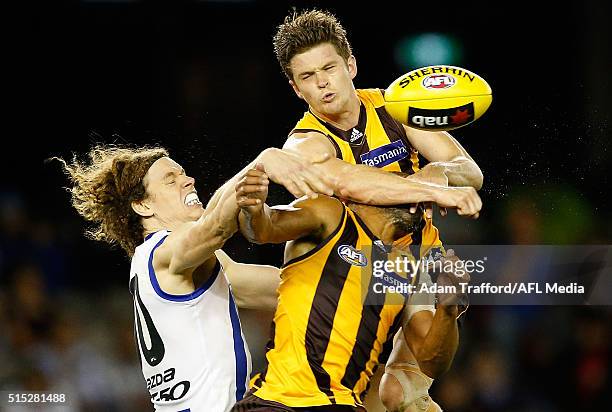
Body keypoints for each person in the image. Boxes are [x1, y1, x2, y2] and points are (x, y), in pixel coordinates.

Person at [272, 9, 484, 411]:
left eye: (329, 68)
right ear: (297, 89)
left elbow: (468, 172)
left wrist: (439, 177)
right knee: (339, 385)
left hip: (419, 255)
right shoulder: (303, 145)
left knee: (410, 388)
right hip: (355, 269)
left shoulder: (396, 106)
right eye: (307, 77)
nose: (322, 82)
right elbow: (347, 182)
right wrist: (432, 191)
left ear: (350, 65)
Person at [56, 144, 334, 412]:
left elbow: (295, 289)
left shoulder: (194, 266)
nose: (188, 180)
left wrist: (371, 280)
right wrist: (262, 164)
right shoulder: (161, 252)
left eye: (183, 173)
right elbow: (214, 228)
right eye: (170, 179)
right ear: (142, 206)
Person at [231, 167, 469, 411]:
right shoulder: (331, 215)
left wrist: (447, 310)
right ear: (363, 191)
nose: (413, 194)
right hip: (274, 400)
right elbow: (264, 227)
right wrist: (253, 207)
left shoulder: (409, 268)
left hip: (343, 404)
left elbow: (432, 362)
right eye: (401, 182)